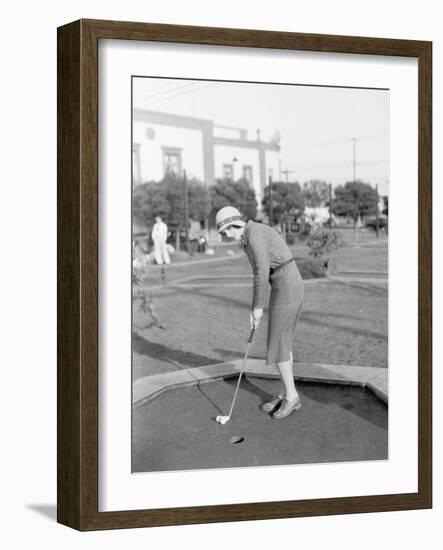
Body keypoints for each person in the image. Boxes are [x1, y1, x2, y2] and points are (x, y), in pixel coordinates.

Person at [215, 206, 304, 419]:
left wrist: (256, 308)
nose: (225, 235)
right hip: (285, 286)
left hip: (287, 287)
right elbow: (262, 272)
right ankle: (284, 393)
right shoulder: (248, 236)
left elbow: (261, 273)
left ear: (235, 224)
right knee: (281, 344)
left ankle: (292, 397)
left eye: (226, 230)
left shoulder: (254, 235)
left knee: (277, 344)